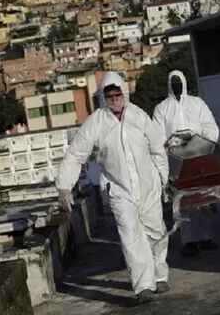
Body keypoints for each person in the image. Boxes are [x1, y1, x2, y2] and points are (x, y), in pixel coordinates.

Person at [56, 72, 170, 304]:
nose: (115, 99)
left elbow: (157, 147)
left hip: (149, 185)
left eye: (118, 94)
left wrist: (163, 177)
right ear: (103, 98)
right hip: (119, 190)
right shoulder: (95, 123)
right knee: (131, 237)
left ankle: (159, 274)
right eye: (110, 96)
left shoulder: (139, 116)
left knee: (156, 232)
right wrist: (64, 186)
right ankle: (143, 286)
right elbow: (75, 155)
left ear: (124, 94)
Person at [152, 70, 220, 257]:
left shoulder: (197, 103)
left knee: (203, 199)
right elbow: (156, 137)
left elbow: (211, 127)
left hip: (199, 157)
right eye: (172, 81)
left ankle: (205, 238)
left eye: (178, 81)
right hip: (176, 162)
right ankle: (188, 241)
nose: (176, 84)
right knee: (184, 201)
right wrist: (172, 143)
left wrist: (197, 138)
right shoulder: (161, 109)